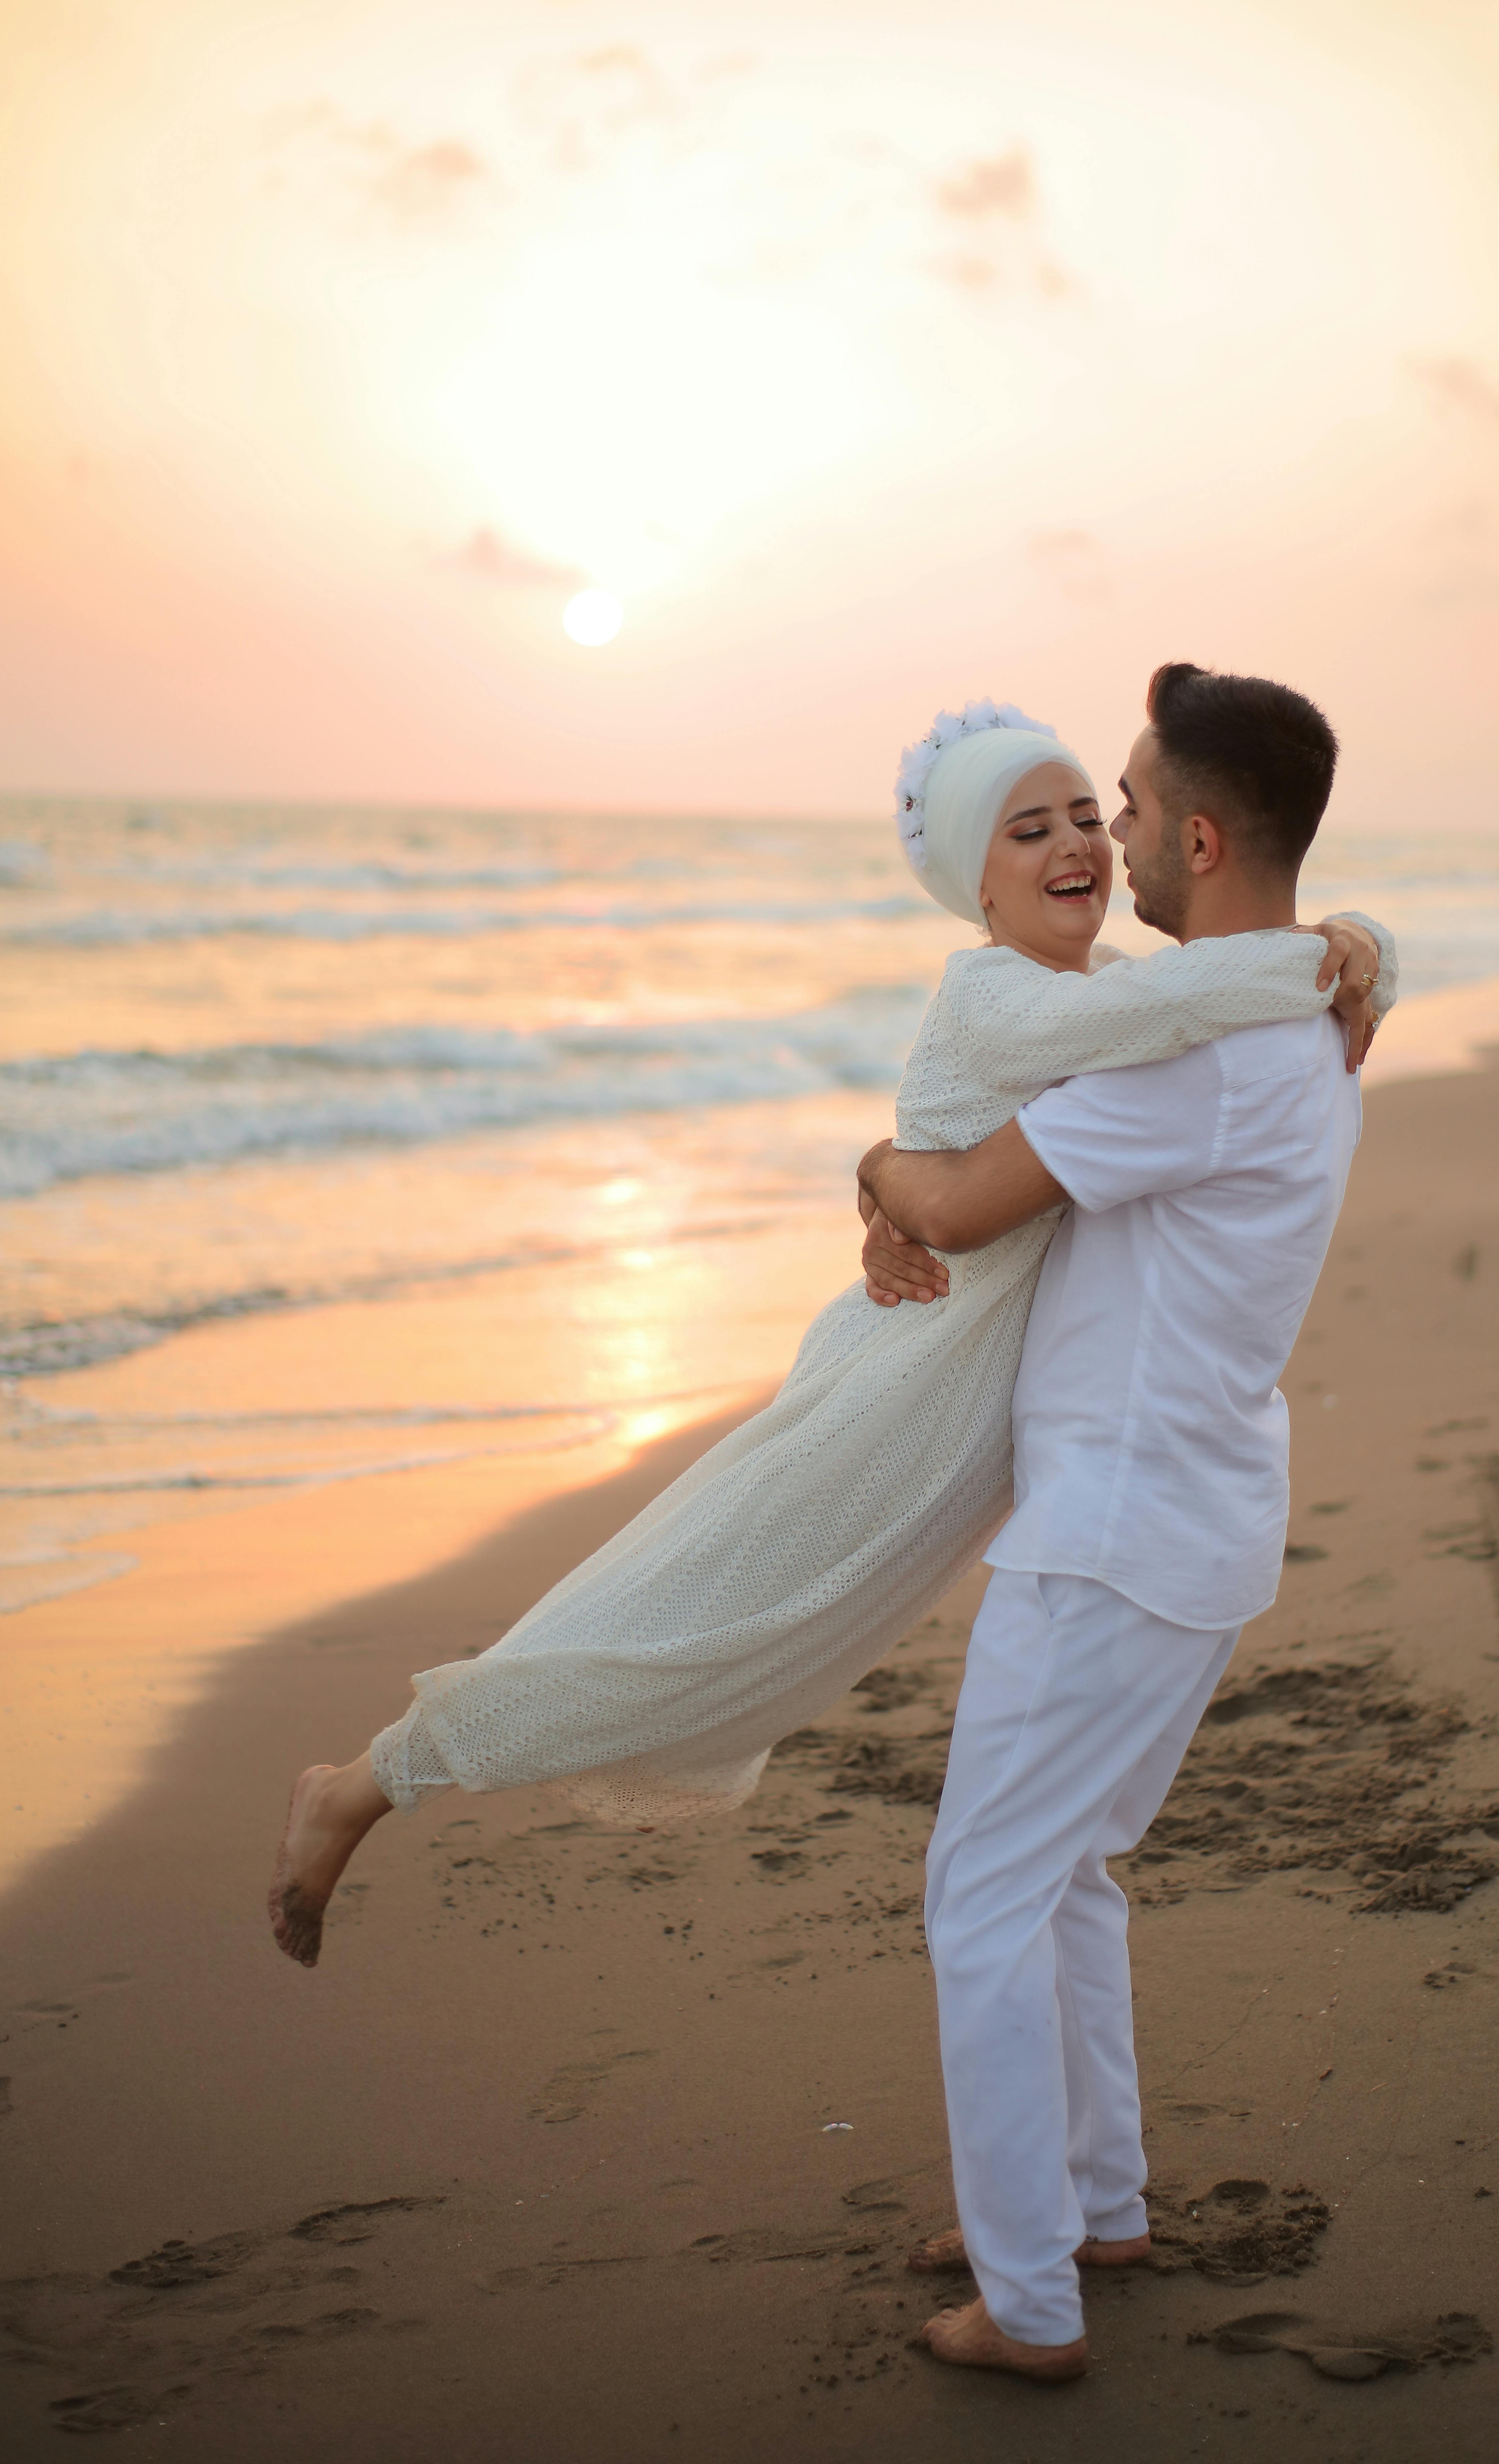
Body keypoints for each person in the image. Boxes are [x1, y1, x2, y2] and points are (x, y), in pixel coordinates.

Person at [269, 694, 1393, 1967]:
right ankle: (364, 1784)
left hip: (994, 1424)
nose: (1080, 842)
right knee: (681, 1622)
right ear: (974, 889)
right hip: (903, 1385)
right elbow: (1205, 1000)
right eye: (1028, 831)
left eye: (1091, 814)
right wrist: (1344, 948)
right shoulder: (1001, 1000)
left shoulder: (1134, 999)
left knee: (782, 1646)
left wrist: (1354, 939)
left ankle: (388, 1776)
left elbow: (1189, 1000)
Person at [853, 663, 1377, 2384]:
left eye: (1133, 806)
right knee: (1063, 1869)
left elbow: (958, 1193)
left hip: (1116, 1534)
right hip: (1186, 1515)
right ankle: (1091, 2200)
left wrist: (876, 1165)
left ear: (1204, 834)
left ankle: (1027, 2298)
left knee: (983, 1891)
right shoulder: (1284, 1017)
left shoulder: (1207, 1063)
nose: (1114, 832)